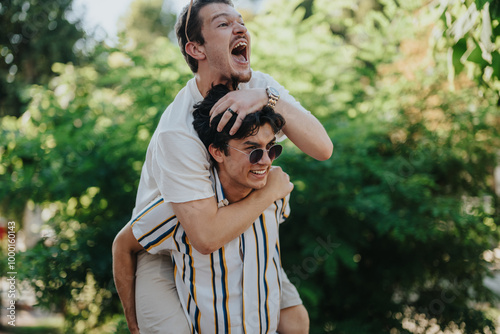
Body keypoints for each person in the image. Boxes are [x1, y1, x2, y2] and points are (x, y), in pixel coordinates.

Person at [112, 0, 333, 333]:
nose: (240, 28)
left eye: (240, 21)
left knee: (293, 320)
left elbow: (322, 147)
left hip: (232, 223)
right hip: (165, 242)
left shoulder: (258, 84)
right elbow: (205, 236)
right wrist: (270, 190)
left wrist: (266, 97)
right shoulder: (177, 131)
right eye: (223, 24)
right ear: (195, 48)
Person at [116, 84, 292, 333]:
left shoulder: (278, 196)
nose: (265, 161)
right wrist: (133, 322)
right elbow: (122, 246)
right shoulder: (184, 211)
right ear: (218, 152)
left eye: (272, 149)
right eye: (252, 151)